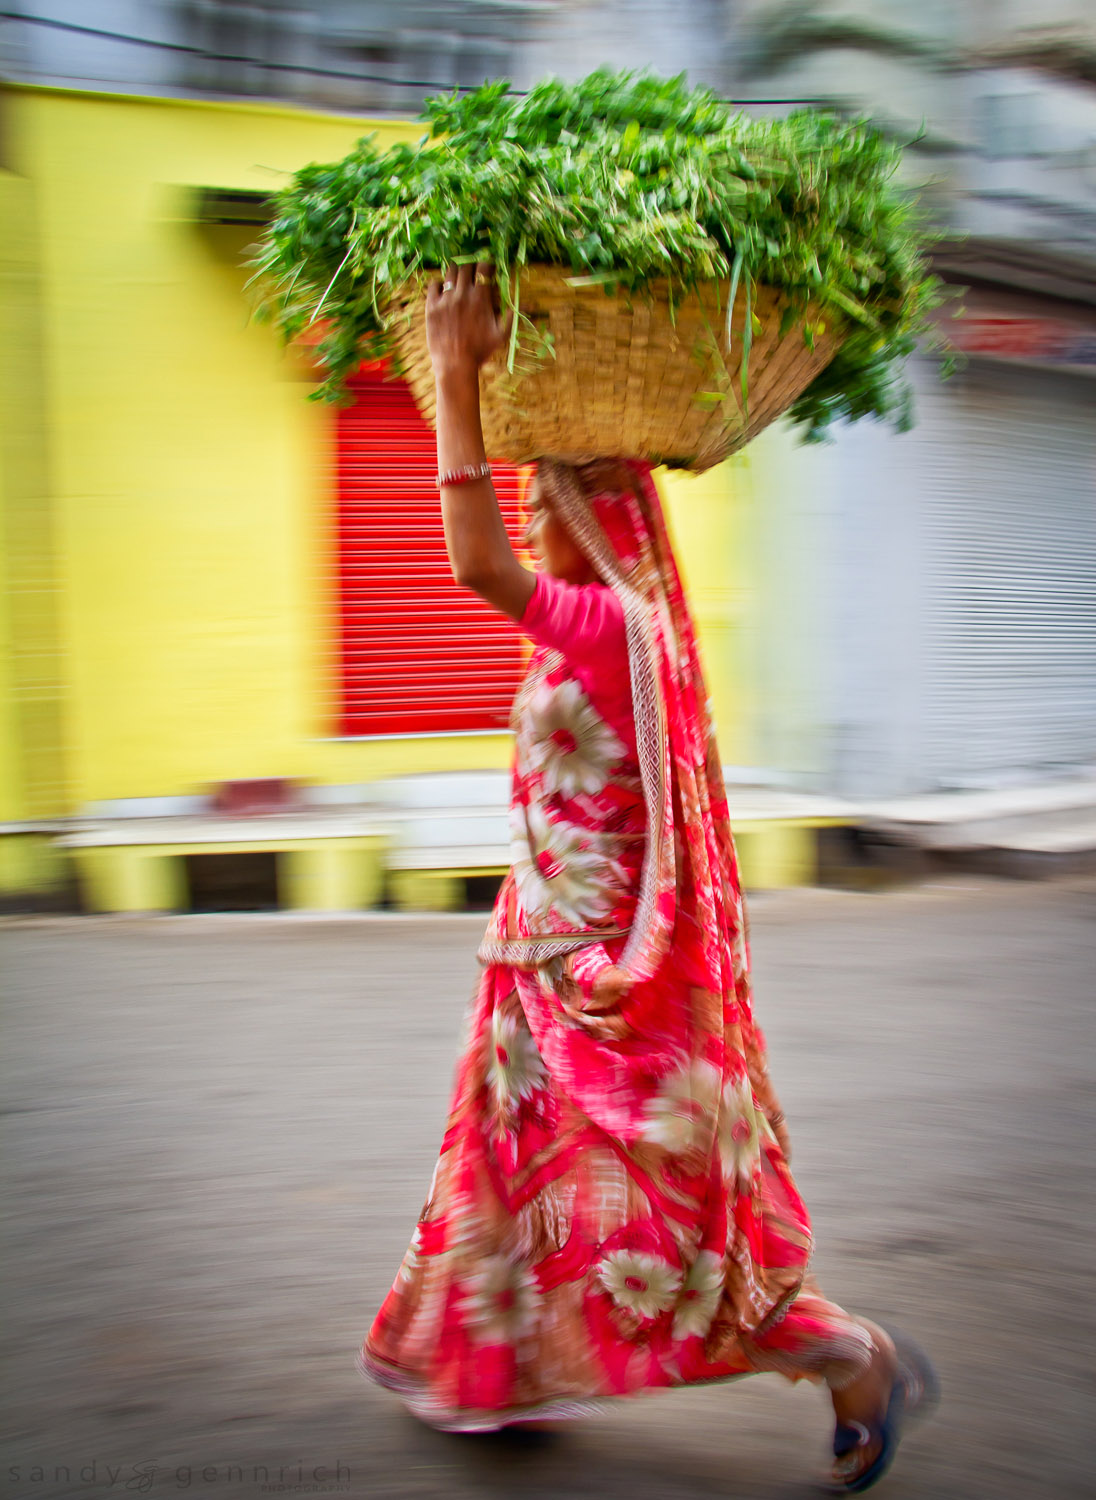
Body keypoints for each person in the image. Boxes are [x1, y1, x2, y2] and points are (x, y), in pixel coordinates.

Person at [358, 262, 937, 1492]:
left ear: (599, 519)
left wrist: (456, 376)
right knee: (506, 1179)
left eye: (544, 501)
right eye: (527, 502)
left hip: (591, 979)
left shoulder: (610, 626)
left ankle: (845, 1355)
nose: (528, 523)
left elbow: (470, 567)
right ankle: (500, 1375)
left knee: (665, 1226)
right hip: (538, 961)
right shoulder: (613, 625)